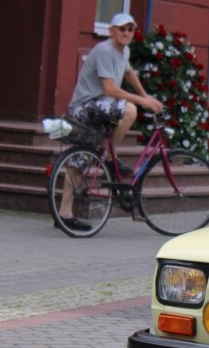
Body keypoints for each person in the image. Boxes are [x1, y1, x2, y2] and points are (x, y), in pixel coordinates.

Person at [57, 12, 164, 231]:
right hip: (86, 107)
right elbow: (110, 89)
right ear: (111, 31)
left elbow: (129, 74)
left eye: (129, 29)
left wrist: (147, 95)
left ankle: (63, 214)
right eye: (121, 29)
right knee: (131, 110)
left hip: (101, 109)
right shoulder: (104, 50)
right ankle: (107, 154)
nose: (126, 33)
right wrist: (142, 101)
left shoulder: (123, 50)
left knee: (80, 160)